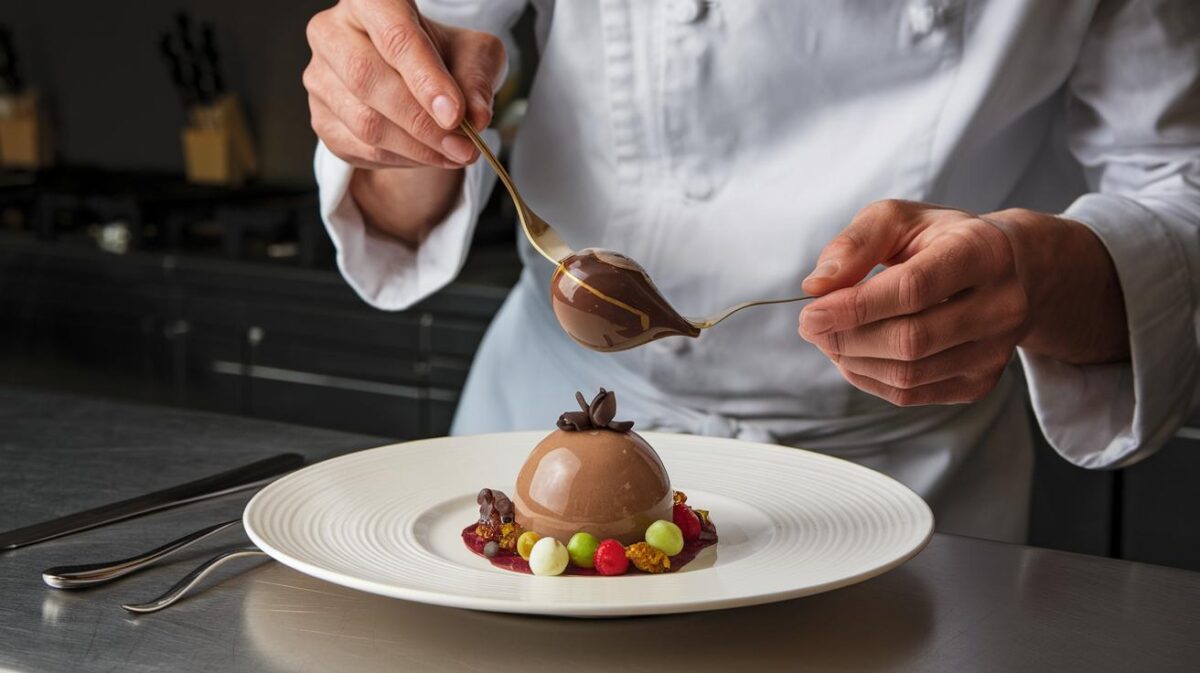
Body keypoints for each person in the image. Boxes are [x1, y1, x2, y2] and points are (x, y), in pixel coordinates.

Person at [304, 0, 1200, 543]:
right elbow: (414, 97)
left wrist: (1035, 278)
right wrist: (392, 120)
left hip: (901, 482)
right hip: (547, 425)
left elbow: (1176, 188)